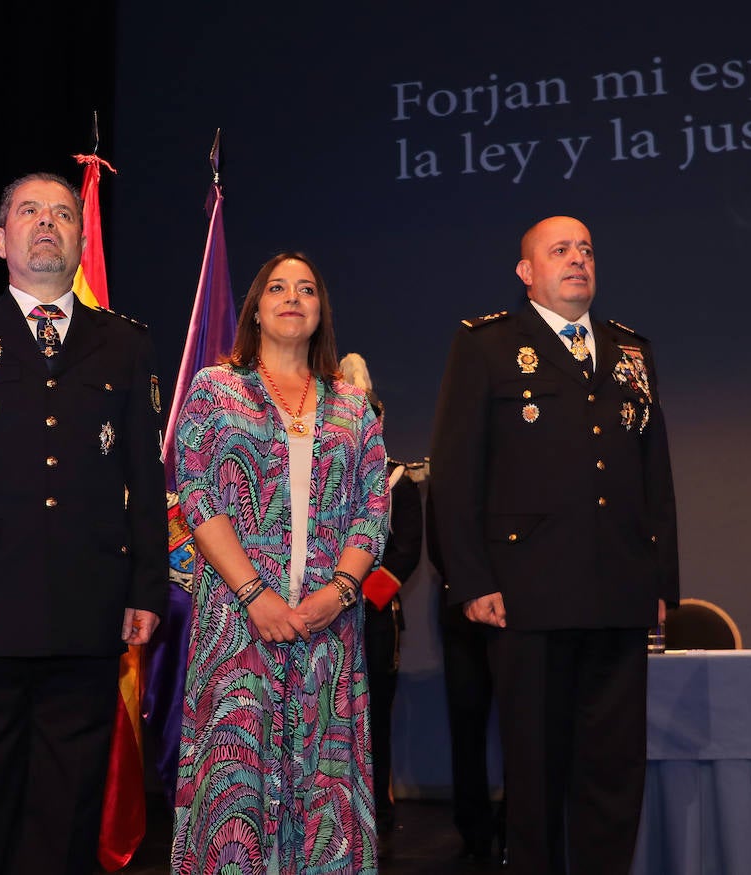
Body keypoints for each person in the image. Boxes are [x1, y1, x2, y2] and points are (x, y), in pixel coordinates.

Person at [0, 171, 168, 875]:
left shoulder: (125, 345)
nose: (48, 223)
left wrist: (146, 588)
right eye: (29, 212)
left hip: (88, 606)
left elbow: (145, 477)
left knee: (67, 806)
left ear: (80, 237)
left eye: (63, 214)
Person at [429, 216, 679, 874]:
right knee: (536, 770)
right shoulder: (486, 346)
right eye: (561, 250)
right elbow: (455, 473)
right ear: (527, 271)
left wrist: (660, 580)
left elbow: (656, 472)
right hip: (528, 595)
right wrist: (471, 578)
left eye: (587, 250)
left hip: (620, 591)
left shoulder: (631, 350)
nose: (578, 260)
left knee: (614, 770)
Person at [170, 252, 389, 874]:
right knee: (233, 790)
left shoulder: (353, 408)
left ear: (320, 311)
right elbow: (199, 495)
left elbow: (373, 512)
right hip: (238, 626)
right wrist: (255, 595)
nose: (292, 298)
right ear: (257, 309)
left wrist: (339, 591)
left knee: (325, 792)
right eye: (277, 288)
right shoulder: (217, 389)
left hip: (330, 631)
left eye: (307, 290)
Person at [338, 352, 423, 847]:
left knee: (375, 718)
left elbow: (404, 555)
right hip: (322, 616)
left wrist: (350, 595)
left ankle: (378, 814)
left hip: (371, 617)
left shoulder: (398, 481)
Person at [425, 492, 508, 865]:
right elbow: (440, 543)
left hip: (520, 617)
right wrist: (474, 587)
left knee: (522, 729)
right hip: (463, 616)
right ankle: (473, 832)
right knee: (467, 726)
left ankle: (515, 830)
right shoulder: (454, 467)